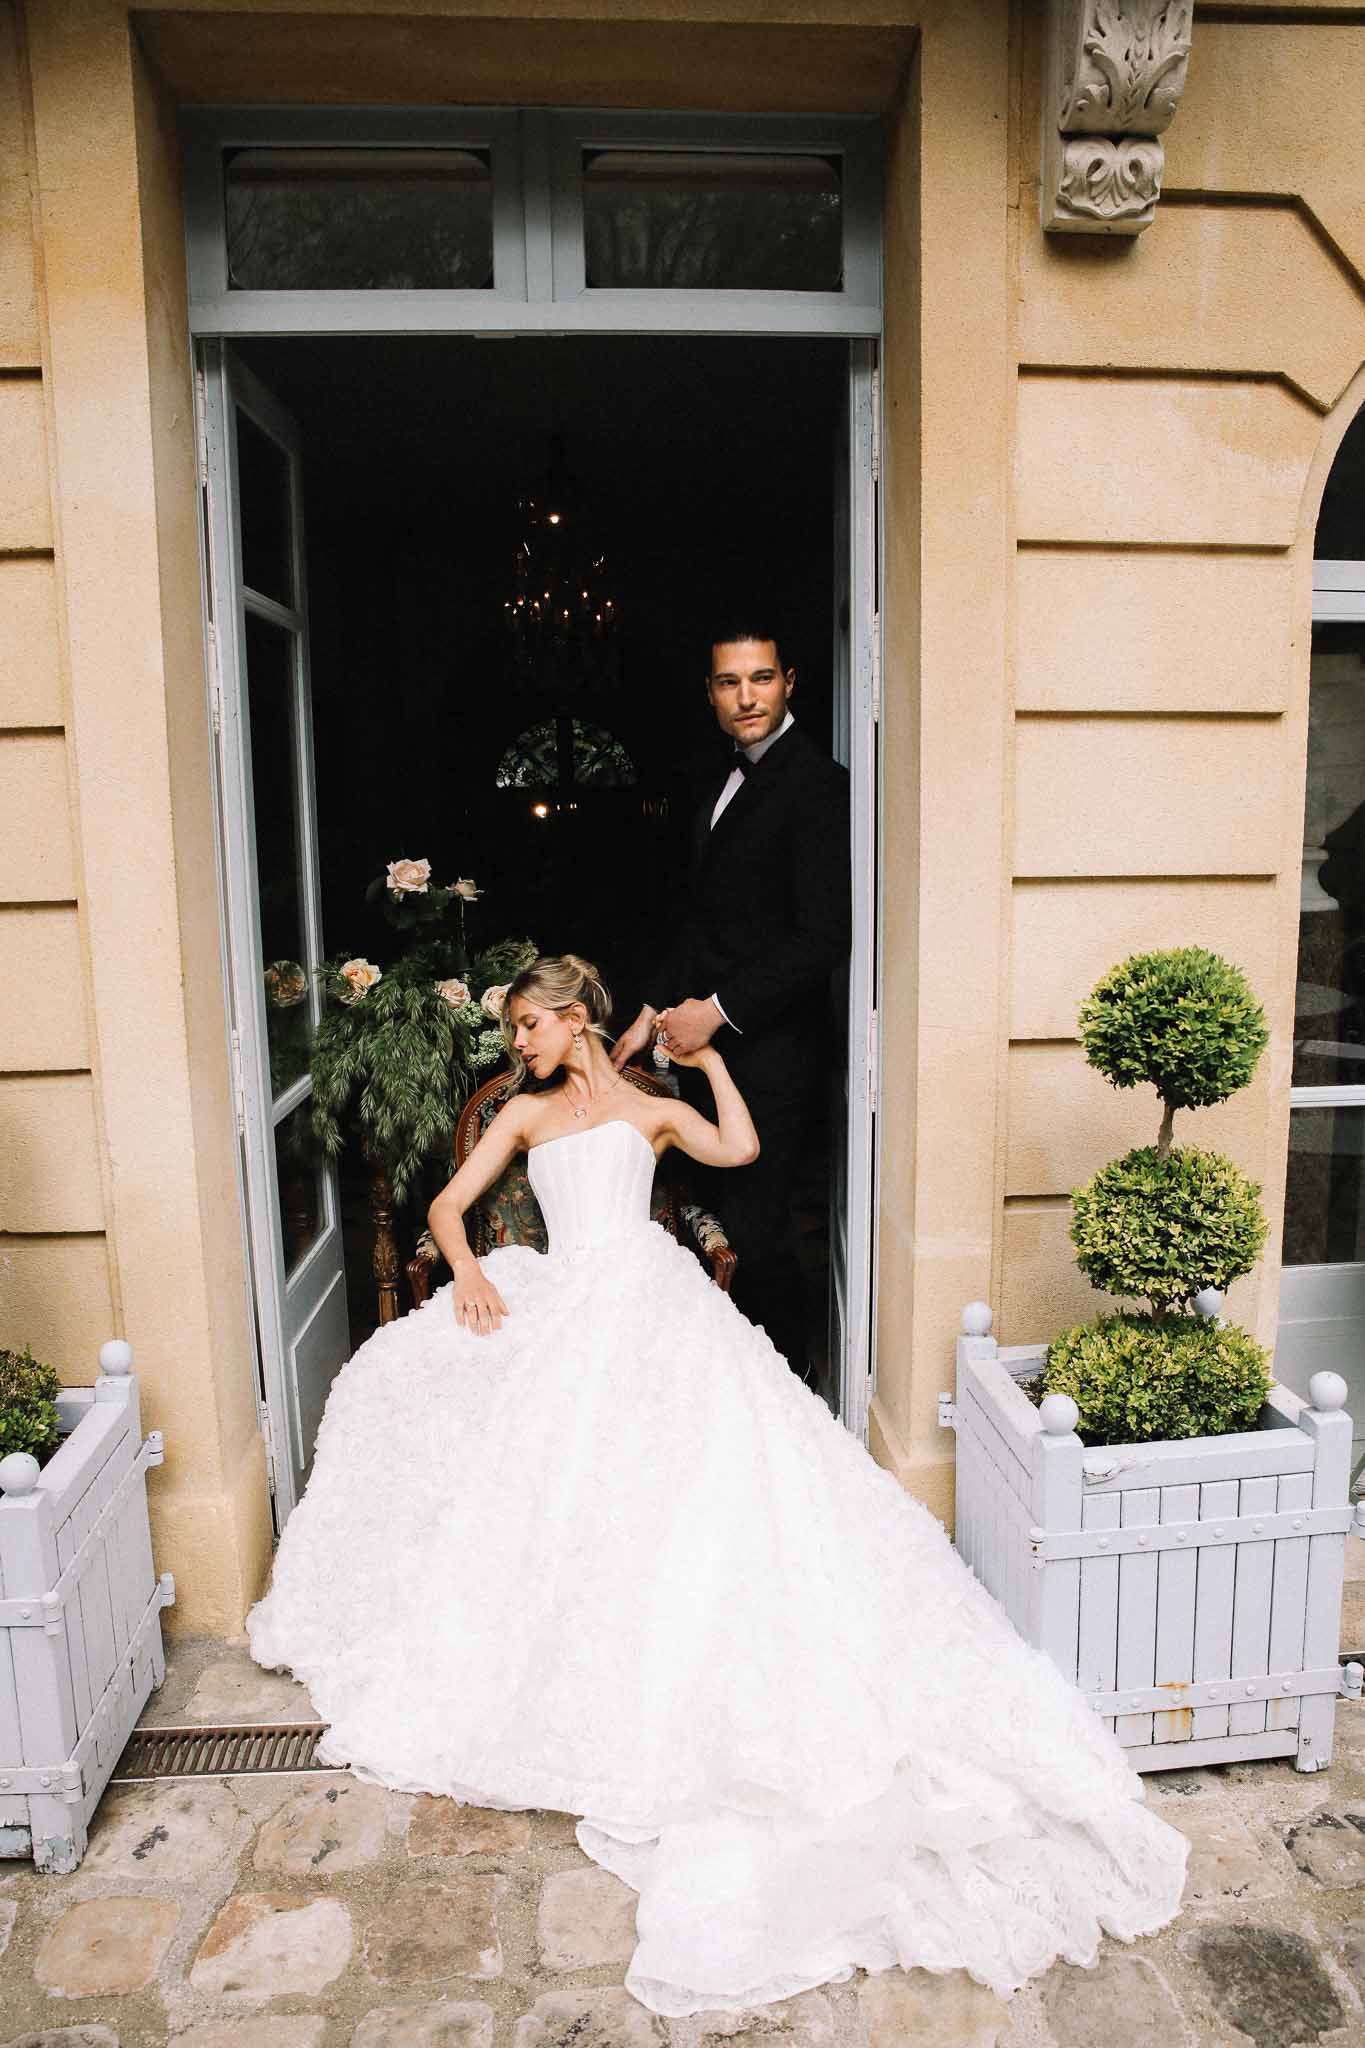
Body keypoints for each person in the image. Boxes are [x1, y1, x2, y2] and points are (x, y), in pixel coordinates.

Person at [248, 952, 1188, 2018]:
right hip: (568, 1303)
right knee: (462, 1418)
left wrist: (704, 1062)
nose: (518, 1043)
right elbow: (453, 1208)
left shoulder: (650, 1105)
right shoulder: (520, 1116)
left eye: (528, 1025)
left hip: (655, 1303)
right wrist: (464, 1271)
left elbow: (737, 1146)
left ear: (575, 1021)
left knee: (720, 1464)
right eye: (513, 1030)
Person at [612, 628, 850, 1383]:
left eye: (760, 679)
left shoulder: (818, 785)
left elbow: (823, 937)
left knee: (756, 1225)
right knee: (711, 1213)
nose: (744, 697)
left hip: (773, 1051)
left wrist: (714, 1011)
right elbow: (701, 920)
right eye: (727, 682)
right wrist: (649, 1009)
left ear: (789, 683)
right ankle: (726, 1382)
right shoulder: (716, 777)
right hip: (704, 1046)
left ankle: (788, 1382)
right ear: (710, 692)